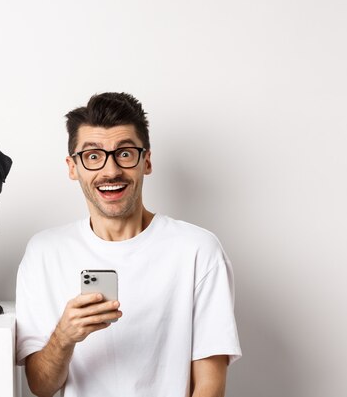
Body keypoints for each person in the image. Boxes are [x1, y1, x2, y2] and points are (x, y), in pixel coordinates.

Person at [15, 92, 241, 397]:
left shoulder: (198, 250)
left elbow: (210, 386)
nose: (110, 171)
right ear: (73, 167)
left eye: (124, 153)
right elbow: (40, 386)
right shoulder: (44, 252)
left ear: (146, 161)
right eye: (93, 156)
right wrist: (64, 337)